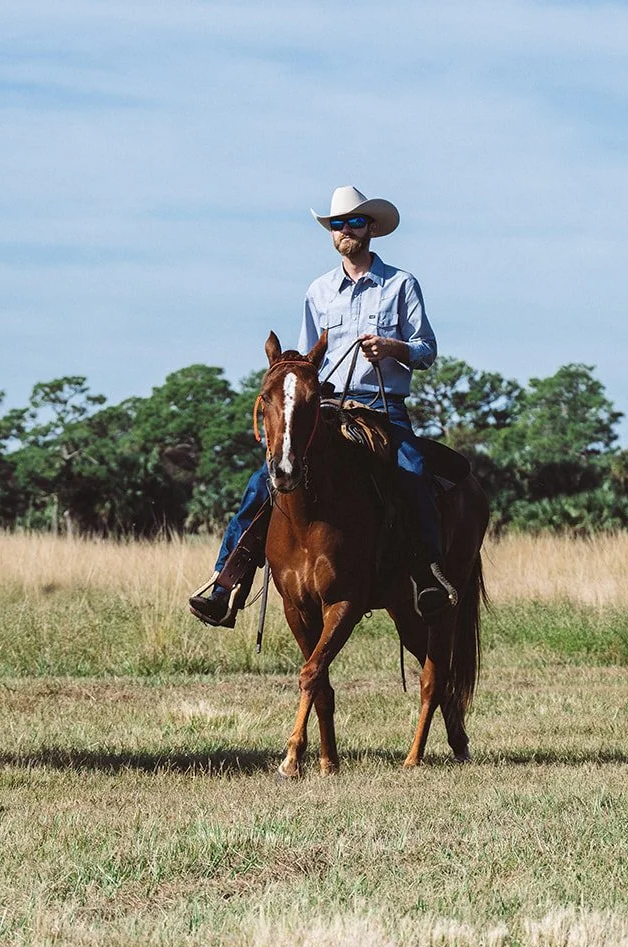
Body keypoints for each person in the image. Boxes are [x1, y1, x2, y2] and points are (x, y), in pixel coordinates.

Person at [189, 185, 454, 627]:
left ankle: (427, 575)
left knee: (411, 470)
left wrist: (394, 348)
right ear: (331, 233)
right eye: (337, 224)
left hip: (382, 408)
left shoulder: (401, 285)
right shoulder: (319, 291)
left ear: (371, 228)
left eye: (353, 221)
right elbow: (305, 359)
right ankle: (227, 580)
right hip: (328, 407)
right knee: (264, 480)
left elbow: (427, 350)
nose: (345, 230)